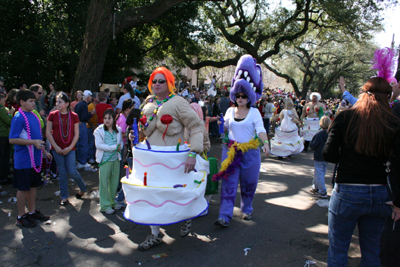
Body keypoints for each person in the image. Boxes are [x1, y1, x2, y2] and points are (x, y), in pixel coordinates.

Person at [323, 77, 400, 266]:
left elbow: (328, 154)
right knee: (372, 251)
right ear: (388, 97)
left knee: (338, 250)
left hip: (348, 191)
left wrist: (348, 157)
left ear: (364, 94)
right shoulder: (393, 122)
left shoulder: (345, 117)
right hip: (381, 194)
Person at [127, 67, 204, 251]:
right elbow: (143, 129)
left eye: (161, 81)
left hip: (174, 160)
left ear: (169, 83)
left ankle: (186, 218)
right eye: (154, 81)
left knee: (177, 193)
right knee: (150, 194)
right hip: (150, 158)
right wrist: (134, 137)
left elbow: (196, 125)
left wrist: (193, 152)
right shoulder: (148, 103)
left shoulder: (178, 102)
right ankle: (154, 234)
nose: (157, 84)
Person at [213, 54, 270, 227]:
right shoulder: (229, 111)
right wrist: (219, 128)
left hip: (250, 153)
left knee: (249, 183)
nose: (240, 98)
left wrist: (266, 143)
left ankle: (247, 209)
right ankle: (224, 216)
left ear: (249, 97)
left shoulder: (254, 113)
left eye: (244, 96)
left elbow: (260, 129)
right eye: (238, 95)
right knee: (229, 184)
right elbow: (225, 129)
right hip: (230, 151)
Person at [9, 89, 52, 227]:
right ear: (21, 102)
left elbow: (38, 136)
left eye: (34, 101)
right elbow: (12, 139)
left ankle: (32, 211)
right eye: (31, 101)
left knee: (33, 186)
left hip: (36, 158)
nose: (34, 103)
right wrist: (32, 143)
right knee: (22, 188)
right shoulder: (18, 117)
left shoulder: (33, 115)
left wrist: (44, 151)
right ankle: (21, 215)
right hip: (23, 160)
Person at [46, 93, 87, 206]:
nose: (57, 104)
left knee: (72, 171)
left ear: (67, 103)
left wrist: (69, 147)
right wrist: (56, 147)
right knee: (62, 172)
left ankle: (83, 187)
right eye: (56, 101)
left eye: (60, 102)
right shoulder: (52, 115)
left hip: (70, 148)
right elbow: (48, 133)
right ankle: (64, 196)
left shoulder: (74, 116)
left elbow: (76, 134)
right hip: (56, 148)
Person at [94, 109, 124, 214]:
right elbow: (99, 145)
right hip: (104, 160)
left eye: (109, 118)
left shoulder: (118, 130)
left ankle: (112, 202)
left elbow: (120, 142)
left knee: (114, 182)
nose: (107, 120)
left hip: (115, 159)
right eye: (105, 118)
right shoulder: (99, 130)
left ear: (114, 119)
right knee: (103, 183)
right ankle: (104, 205)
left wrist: (120, 146)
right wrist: (113, 147)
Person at [309, 116, 330, 199]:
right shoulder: (329, 134)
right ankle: (316, 186)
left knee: (319, 174)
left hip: (318, 156)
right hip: (326, 156)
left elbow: (313, 145)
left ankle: (322, 191)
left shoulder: (318, 135)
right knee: (321, 173)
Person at [74, 90, 96, 171]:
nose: (91, 98)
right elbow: (84, 117)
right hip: (82, 125)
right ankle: (82, 162)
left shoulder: (78, 104)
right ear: (88, 97)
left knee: (79, 143)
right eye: (90, 96)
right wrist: (91, 114)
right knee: (84, 143)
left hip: (77, 125)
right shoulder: (84, 105)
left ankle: (80, 161)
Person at [0, 94, 13, 184]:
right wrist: (11, 112)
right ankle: (3, 177)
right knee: (4, 157)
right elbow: (9, 121)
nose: (4, 101)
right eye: (3, 99)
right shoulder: (2, 110)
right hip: (3, 135)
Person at [87, 92, 99, 164]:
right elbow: (87, 117)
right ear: (94, 98)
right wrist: (92, 125)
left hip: (97, 127)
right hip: (90, 127)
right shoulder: (90, 106)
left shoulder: (98, 106)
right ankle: (90, 158)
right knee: (91, 143)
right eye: (98, 96)